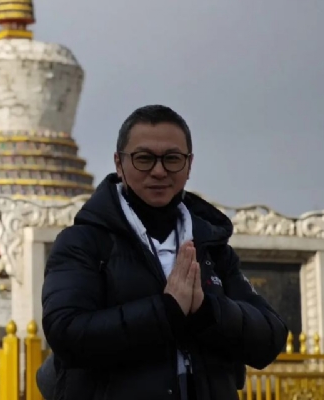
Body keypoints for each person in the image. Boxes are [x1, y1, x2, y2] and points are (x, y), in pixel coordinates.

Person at [41, 105, 287, 400]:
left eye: (172, 159)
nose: (159, 171)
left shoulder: (211, 245)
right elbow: (66, 333)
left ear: (189, 164)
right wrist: (166, 310)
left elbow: (270, 338)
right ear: (119, 164)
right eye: (144, 158)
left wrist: (207, 311)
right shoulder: (84, 242)